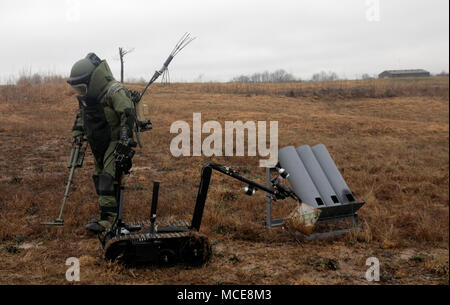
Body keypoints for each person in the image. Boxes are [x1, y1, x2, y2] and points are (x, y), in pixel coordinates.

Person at [66, 53, 136, 233]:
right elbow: (82, 116)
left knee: (108, 175)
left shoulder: (114, 91)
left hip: (115, 141)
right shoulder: (87, 98)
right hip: (98, 142)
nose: (80, 92)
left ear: (93, 80)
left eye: (82, 88)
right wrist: (77, 133)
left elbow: (127, 114)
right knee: (100, 176)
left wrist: (125, 140)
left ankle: (109, 219)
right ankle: (107, 215)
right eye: (77, 89)